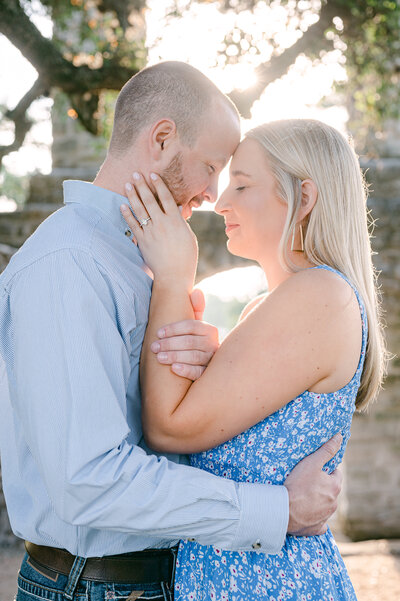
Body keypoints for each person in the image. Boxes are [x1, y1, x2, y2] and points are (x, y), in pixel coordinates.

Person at [0, 63, 341, 601]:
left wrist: (206, 367)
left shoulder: (142, 260)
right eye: (211, 165)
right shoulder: (69, 263)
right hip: (97, 587)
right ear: (161, 139)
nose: (212, 195)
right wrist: (277, 509)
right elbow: (88, 481)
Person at [119, 118, 388, 600]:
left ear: (303, 198)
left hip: (270, 584)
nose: (221, 202)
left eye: (242, 185)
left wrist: (173, 277)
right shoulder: (271, 306)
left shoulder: (319, 296)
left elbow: (169, 427)